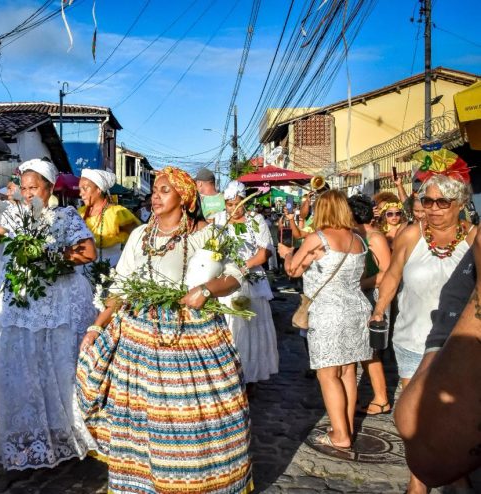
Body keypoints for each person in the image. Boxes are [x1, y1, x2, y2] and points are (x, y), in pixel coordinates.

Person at [77, 167, 252, 494]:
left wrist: (207, 290)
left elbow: (234, 275)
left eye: (165, 190)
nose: (155, 195)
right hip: (140, 340)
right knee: (144, 419)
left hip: (191, 338)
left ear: (184, 197)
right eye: (155, 189)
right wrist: (96, 326)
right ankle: (142, 484)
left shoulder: (205, 234)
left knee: (190, 419)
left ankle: (194, 483)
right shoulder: (140, 235)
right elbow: (121, 289)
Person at [0, 141, 99, 470]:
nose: (29, 193)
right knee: (16, 366)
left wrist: (48, 255)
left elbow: (88, 252)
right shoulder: (10, 212)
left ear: (49, 188)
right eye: (25, 186)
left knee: (55, 365)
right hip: (16, 304)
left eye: (35, 187)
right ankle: (18, 431)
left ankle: (62, 430)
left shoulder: (64, 216)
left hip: (55, 305)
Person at [370, 171, 475, 494]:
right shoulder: (411, 236)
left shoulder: (474, 240)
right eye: (427, 201)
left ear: (460, 203)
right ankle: (421, 484)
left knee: (452, 423)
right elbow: (391, 276)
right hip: (412, 340)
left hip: (456, 347)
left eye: (441, 202)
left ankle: (447, 477)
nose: (432, 208)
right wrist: (378, 310)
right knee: (416, 423)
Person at [278, 190, 372, 450]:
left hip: (328, 311)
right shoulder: (358, 240)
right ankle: (347, 426)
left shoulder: (317, 238)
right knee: (349, 371)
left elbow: (292, 270)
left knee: (327, 373)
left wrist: (286, 253)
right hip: (356, 309)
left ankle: (340, 434)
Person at [214, 181, 278, 388]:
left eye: (236, 204)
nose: (233, 209)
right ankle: (227, 376)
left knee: (249, 328)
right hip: (225, 281)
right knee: (228, 327)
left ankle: (248, 377)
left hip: (250, 280)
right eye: (229, 204)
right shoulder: (218, 220)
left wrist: (243, 267)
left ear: (245, 202)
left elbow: (265, 251)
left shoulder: (256, 220)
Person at [347, 194, 393, 416]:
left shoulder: (374, 237)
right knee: (363, 352)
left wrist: (358, 284)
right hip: (362, 295)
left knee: (370, 351)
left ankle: (382, 397)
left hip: (374, 295)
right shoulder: (356, 235)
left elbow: (387, 272)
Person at [78, 168, 140, 267]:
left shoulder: (117, 213)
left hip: (111, 270)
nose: (81, 194)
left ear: (99, 189)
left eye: (85, 188)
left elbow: (139, 241)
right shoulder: (80, 213)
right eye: (80, 189)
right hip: (83, 271)